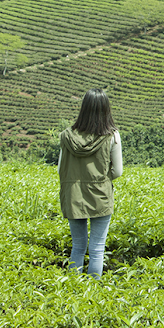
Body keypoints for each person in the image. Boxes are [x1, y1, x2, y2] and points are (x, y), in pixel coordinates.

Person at [58, 88, 123, 278]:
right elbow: (117, 171)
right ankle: (93, 293)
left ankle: (73, 289)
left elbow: (60, 169)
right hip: (100, 195)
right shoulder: (112, 136)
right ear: (106, 109)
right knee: (97, 248)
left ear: (83, 108)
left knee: (77, 246)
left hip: (73, 195)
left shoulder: (67, 136)